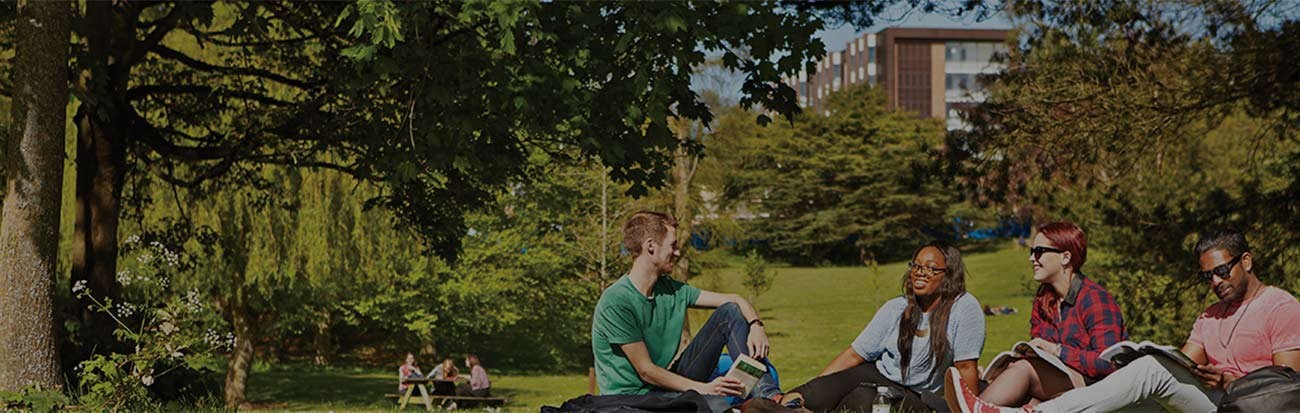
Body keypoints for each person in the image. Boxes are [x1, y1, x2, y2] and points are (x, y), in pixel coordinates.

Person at [947, 228, 1300, 412]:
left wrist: (1227, 379)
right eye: (1207, 276)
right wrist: (1179, 365)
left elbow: (1285, 388)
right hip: (1209, 399)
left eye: (1223, 271)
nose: (1216, 281)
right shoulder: (1209, 315)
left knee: (1151, 372)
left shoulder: (1280, 306)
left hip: (1241, 405)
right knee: (1133, 395)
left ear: (1247, 261)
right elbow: (1184, 363)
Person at [591, 211, 779, 412]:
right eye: (673, 245)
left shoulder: (671, 289)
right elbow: (646, 371)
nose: (678, 252)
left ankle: (772, 398)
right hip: (632, 401)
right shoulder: (618, 301)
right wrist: (704, 389)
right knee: (715, 405)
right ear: (650, 246)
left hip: (664, 387)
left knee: (730, 312)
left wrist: (756, 325)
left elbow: (734, 300)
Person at [778, 241, 986, 412]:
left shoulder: (963, 307)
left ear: (948, 274)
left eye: (931, 268)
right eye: (916, 266)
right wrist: (820, 385)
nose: (920, 273)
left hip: (919, 397)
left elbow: (966, 367)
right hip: (876, 374)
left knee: (865, 399)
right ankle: (772, 408)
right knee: (811, 394)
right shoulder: (897, 307)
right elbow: (854, 355)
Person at [966, 222, 1127, 408]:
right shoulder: (1044, 298)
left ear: (1065, 257)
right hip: (1059, 384)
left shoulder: (1095, 299)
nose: (1032, 258)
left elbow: (1108, 363)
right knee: (1019, 394)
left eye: (1039, 251)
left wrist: (1056, 350)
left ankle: (972, 408)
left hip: (1098, 388)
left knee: (1025, 369)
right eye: (1032, 251)